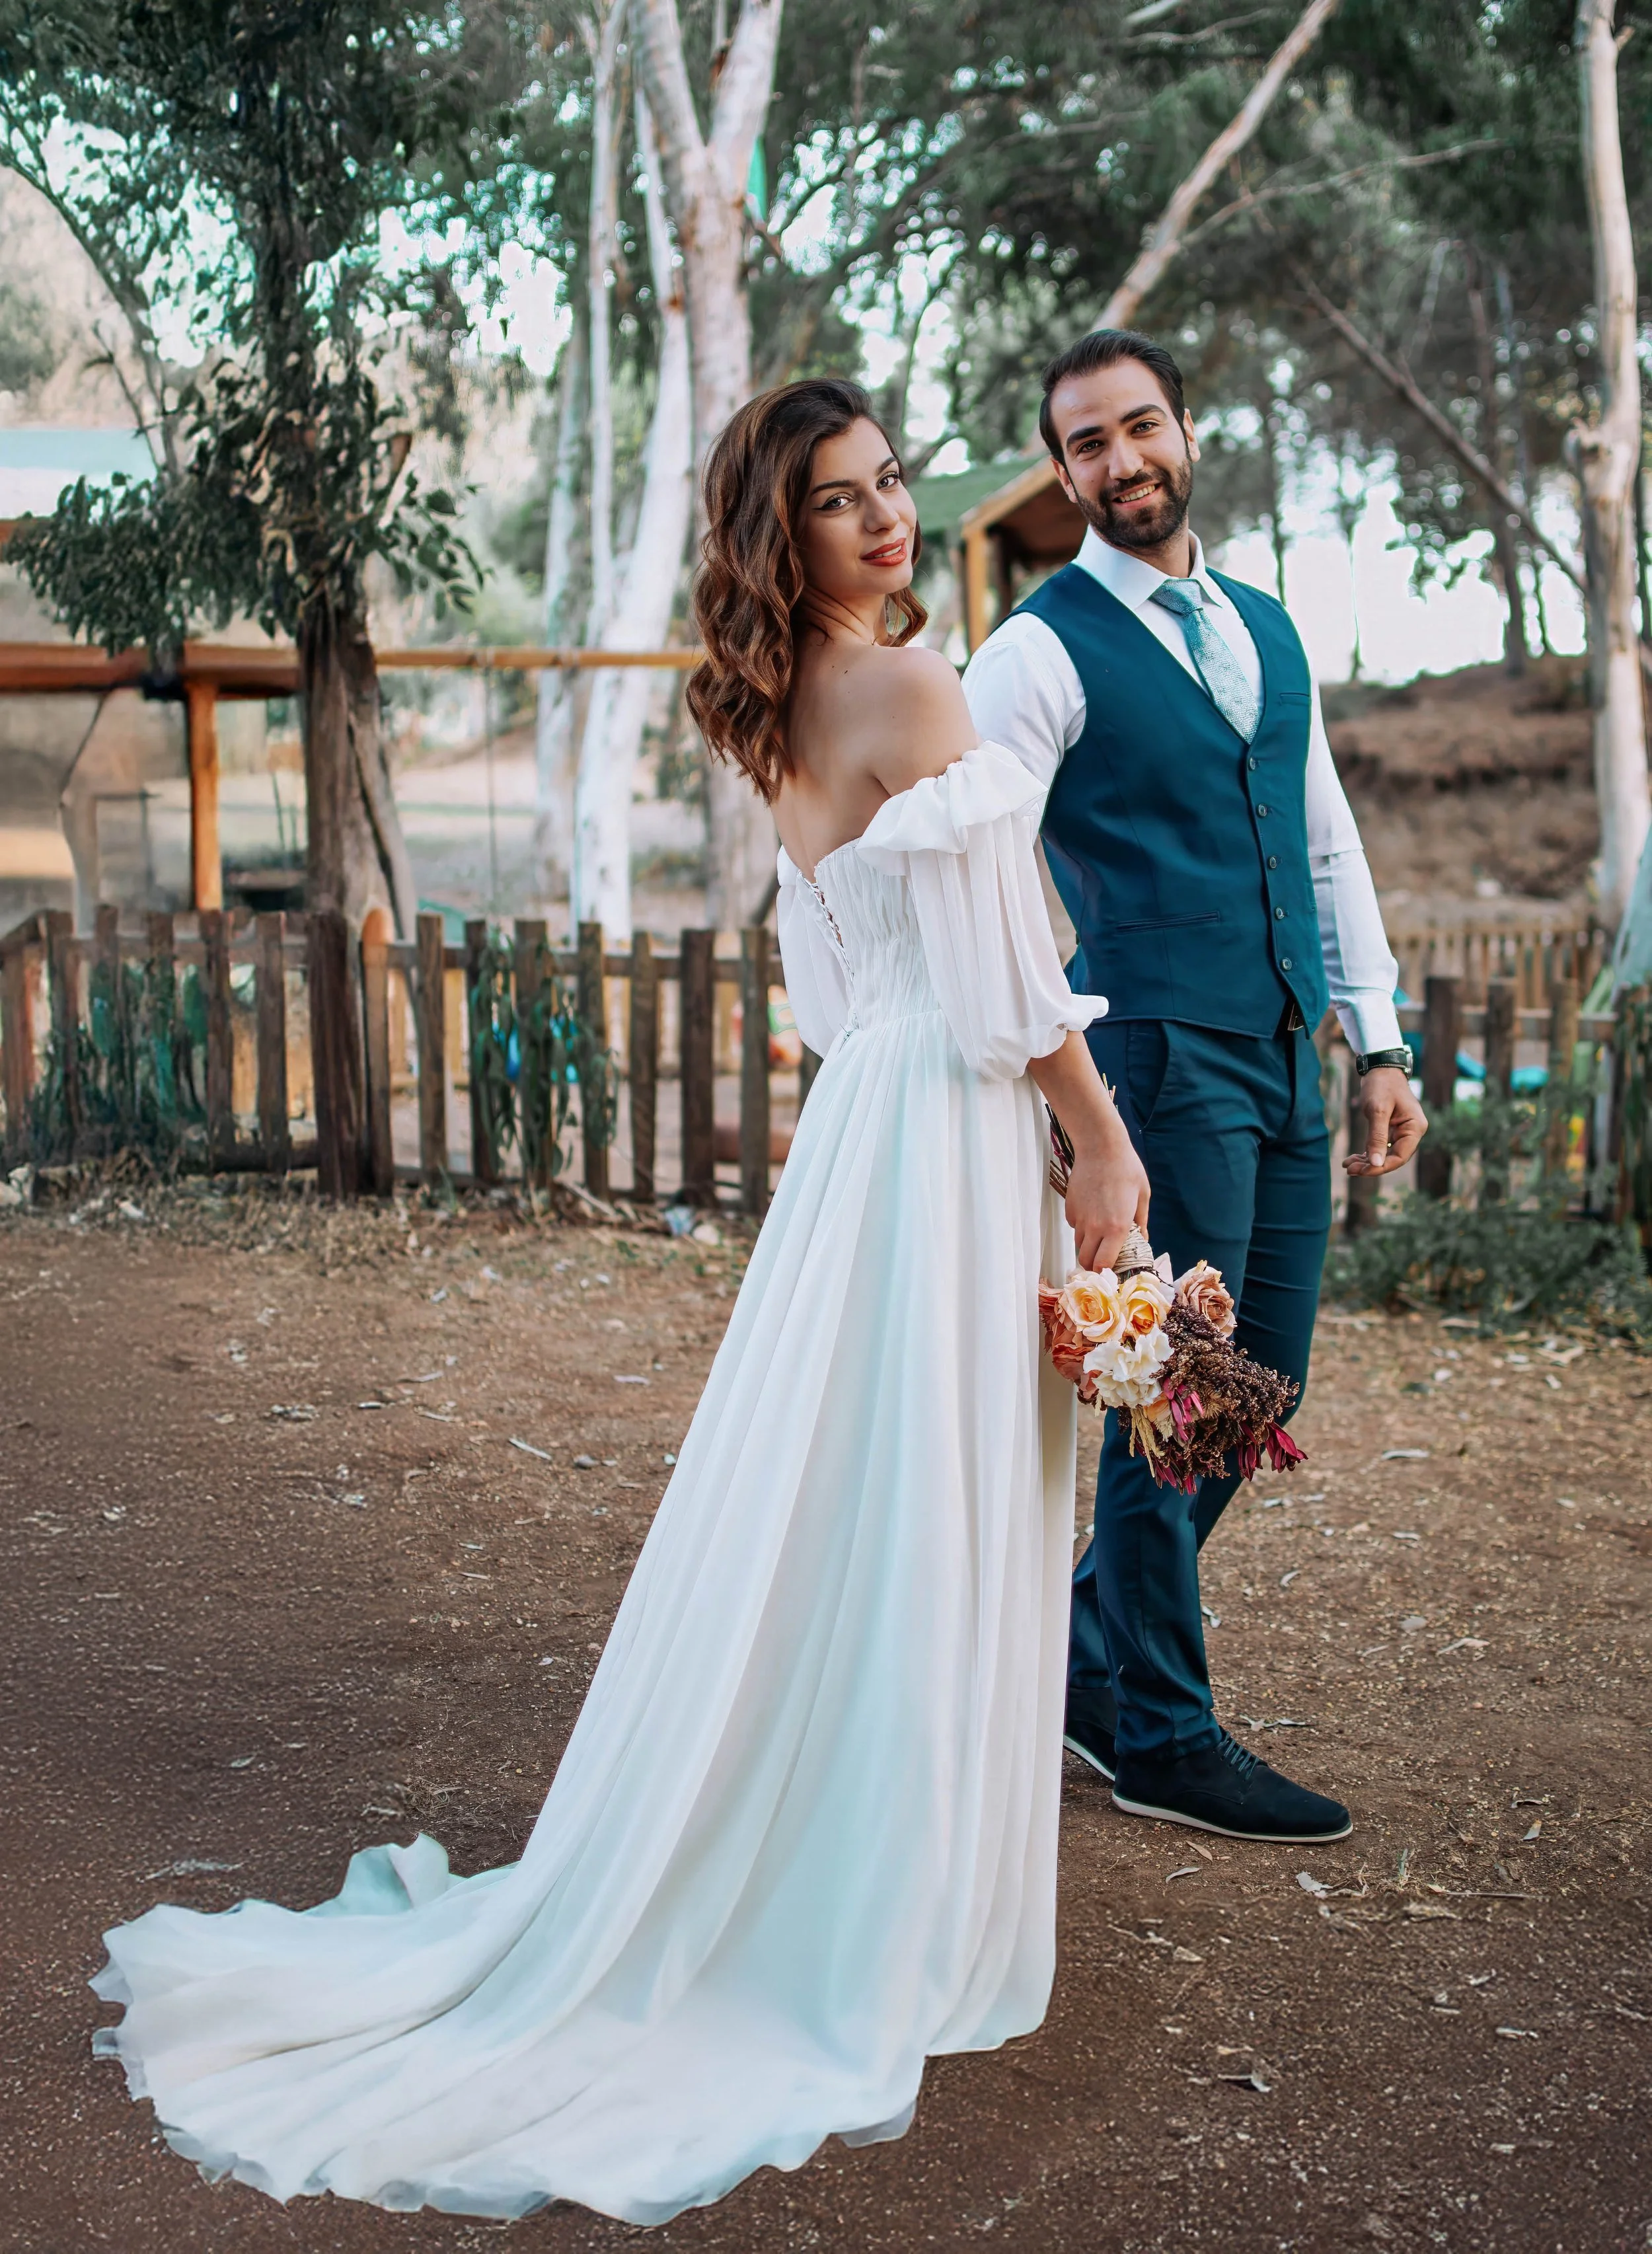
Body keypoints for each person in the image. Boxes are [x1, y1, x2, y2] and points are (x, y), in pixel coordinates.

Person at [87, 379, 1149, 2227]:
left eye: (891, 484)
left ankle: (836, 1864)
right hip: (953, 1123)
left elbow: (846, 996)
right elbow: (1007, 969)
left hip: (869, 1139)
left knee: (864, 1506)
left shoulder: (775, 712)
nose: (888, 518)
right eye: (840, 501)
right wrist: (1100, 1154)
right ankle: (886, 1905)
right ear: (780, 532)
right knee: (924, 1503)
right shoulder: (909, 688)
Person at [963, 328, 1427, 1846]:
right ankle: (1159, 1726)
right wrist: (1064, 1084)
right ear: (1060, 472)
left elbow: (1322, 840)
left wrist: (1376, 1034)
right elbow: (981, 880)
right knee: (1171, 1395)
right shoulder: (1033, 652)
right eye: (1085, 443)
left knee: (1258, 1379)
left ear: (1183, 431)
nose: (1120, 462)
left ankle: (1083, 1665)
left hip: (1285, 1048)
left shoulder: (1263, 628)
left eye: (1138, 427)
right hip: (1155, 1055)